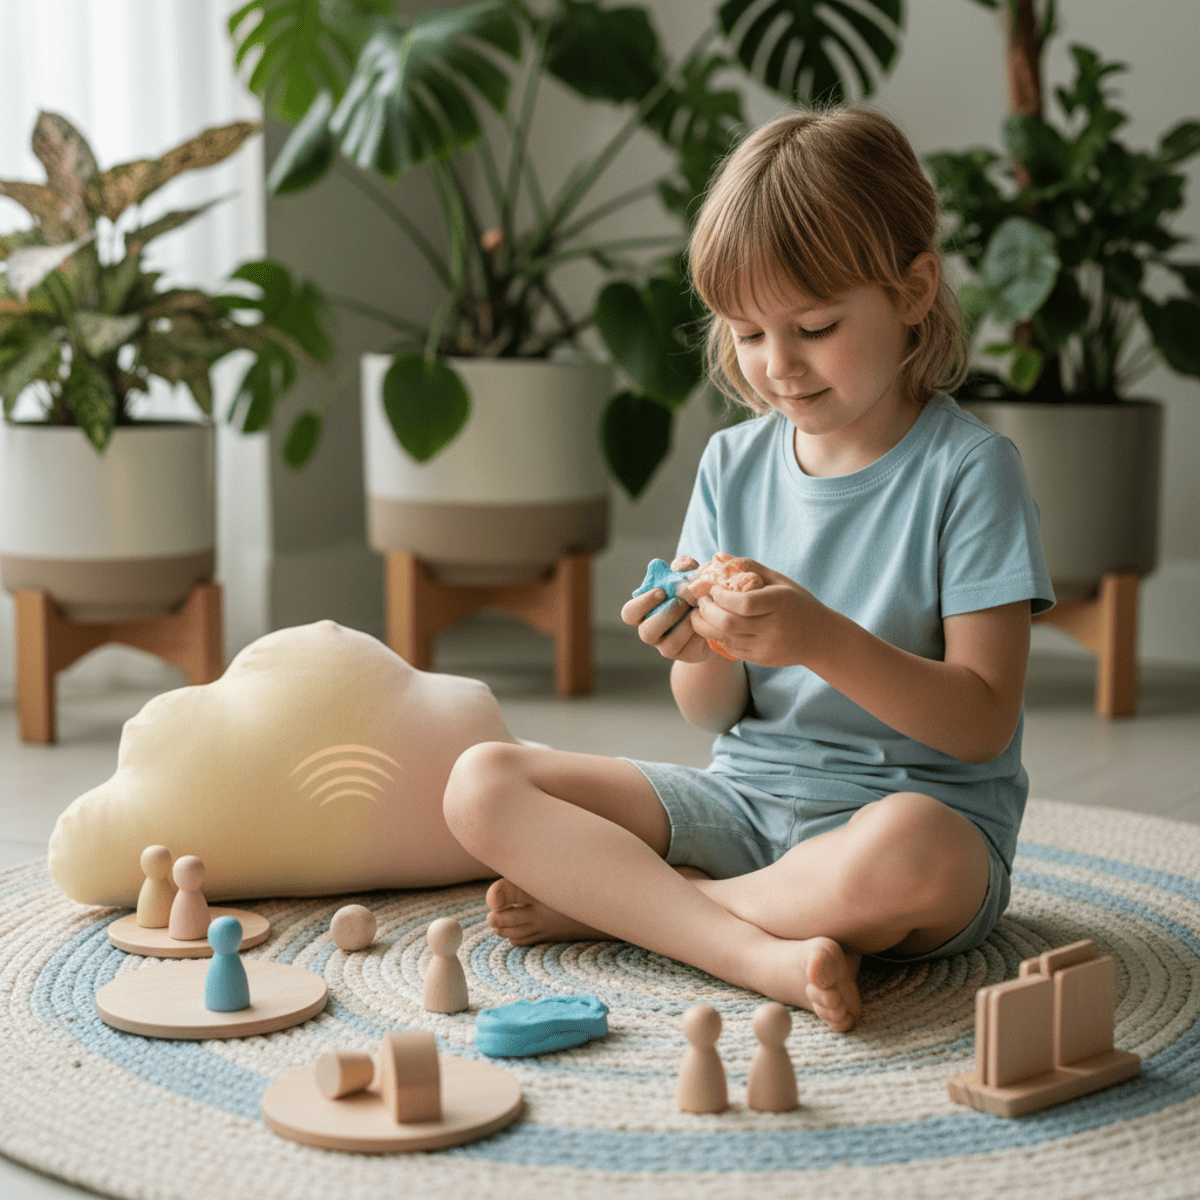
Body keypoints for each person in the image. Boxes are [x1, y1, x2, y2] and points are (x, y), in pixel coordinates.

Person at [443, 107, 1054, 1032]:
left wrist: (815, 637)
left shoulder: (970, 472)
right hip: (740, 803)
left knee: (912, 849)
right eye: (749, 332)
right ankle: (745, 938)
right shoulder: (733, 463)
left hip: (907, 821)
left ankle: (641, 910)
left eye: (813, 326)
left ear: (915, 290)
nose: (778, 367)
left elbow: (979, 722)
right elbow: (713, 714)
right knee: (481, 780)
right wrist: (698, 646)